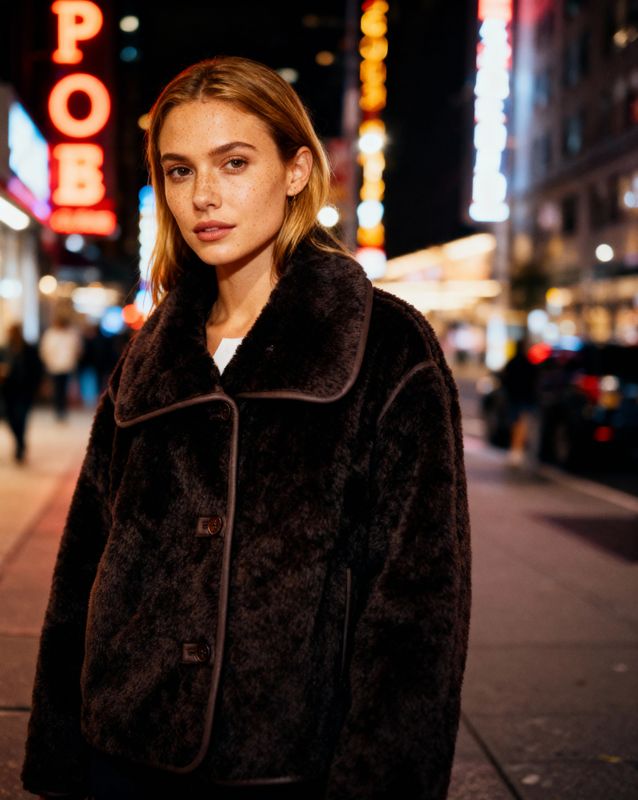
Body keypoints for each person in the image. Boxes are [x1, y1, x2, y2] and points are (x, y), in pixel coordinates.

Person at [21, 56, 471, 800]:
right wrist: (61, 756)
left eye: (233, 163)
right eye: (178, 170)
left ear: (297, 170)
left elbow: (419, 608)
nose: (203, 196)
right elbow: (83, 571)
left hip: (287, 766)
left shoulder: (385, 348)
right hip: (121, 751)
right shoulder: (154, 351)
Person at [0, 323, 42, 462]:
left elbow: (37, 369)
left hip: (25, 391)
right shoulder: (4, 350)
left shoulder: (29, 349)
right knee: (11, 419)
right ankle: (19, 441)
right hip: (8, 391)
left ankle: (20, 445)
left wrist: (36, 386)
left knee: (22, 418)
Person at [501, 338, 538, 467]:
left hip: (514, 398)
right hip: (525, 398)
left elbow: (504, 380)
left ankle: (516, 450)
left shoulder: (512, 363)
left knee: (515, 424)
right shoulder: (529, 364)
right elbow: (535, 382)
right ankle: (517, 451)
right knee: (522, 424)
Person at [39, 314, 82, 421]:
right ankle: (58, 410)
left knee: (63, 388)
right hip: (54, 366)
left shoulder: (71, 334)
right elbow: (45, 350)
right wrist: (48, 361)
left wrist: (73, 360)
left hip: (66, 366)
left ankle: (62, 409)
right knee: (57, 389)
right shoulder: (50, 334)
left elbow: (77, 349)